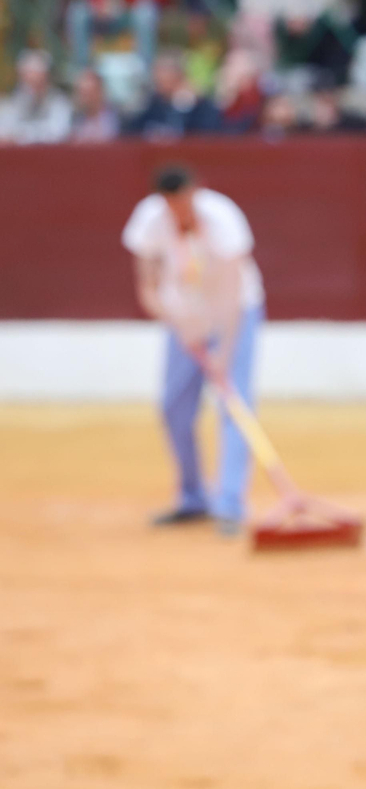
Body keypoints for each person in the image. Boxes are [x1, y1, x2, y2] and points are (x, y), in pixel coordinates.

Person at [122, 165, 268, 530]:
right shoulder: (150, 219)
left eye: (184, 202)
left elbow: (233, 292)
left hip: (237, 314)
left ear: (196, 193)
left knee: (234, 401)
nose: (179, 211)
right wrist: (176, 321)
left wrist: (225, 351)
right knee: (174, 406)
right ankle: (193, 498)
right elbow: (148, 288)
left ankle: (230, 504)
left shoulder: (222, 217)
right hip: (184, 315)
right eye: (172, 204)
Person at [123, 52, 225, 138]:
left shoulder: (200, 107)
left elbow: (207, 135)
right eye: (156, 72)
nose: (156, 78)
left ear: (179, 75)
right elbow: (131, 132)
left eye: (163, 72)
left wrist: (185, 105)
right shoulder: (153, 104)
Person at [0, 50, 72, 144]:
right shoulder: (11, 103)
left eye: (38, 77)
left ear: (47, 77)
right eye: (28, 78)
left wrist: (21, 135)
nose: (34, 82)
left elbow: (59, 132)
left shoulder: (60, 102)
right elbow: (5, 131)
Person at [69, 69, 122, 142]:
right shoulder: (74, 121)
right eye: (81, 93)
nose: (84, 99)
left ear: (99, 92)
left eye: (88, 94)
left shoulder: (117, 120)